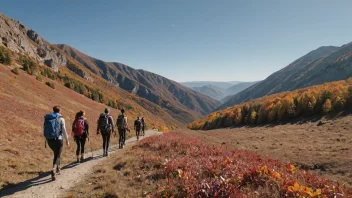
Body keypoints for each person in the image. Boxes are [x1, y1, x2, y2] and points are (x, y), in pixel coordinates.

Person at [43, 106, 69, 181]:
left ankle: (58, 169)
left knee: (56, 153)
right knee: (58, 155)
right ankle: (54, 169)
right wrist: (67, 140)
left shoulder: (48, 118)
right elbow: (64, 130)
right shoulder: (61, 118)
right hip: (58, 139)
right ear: (60, 111)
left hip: (49, 140)